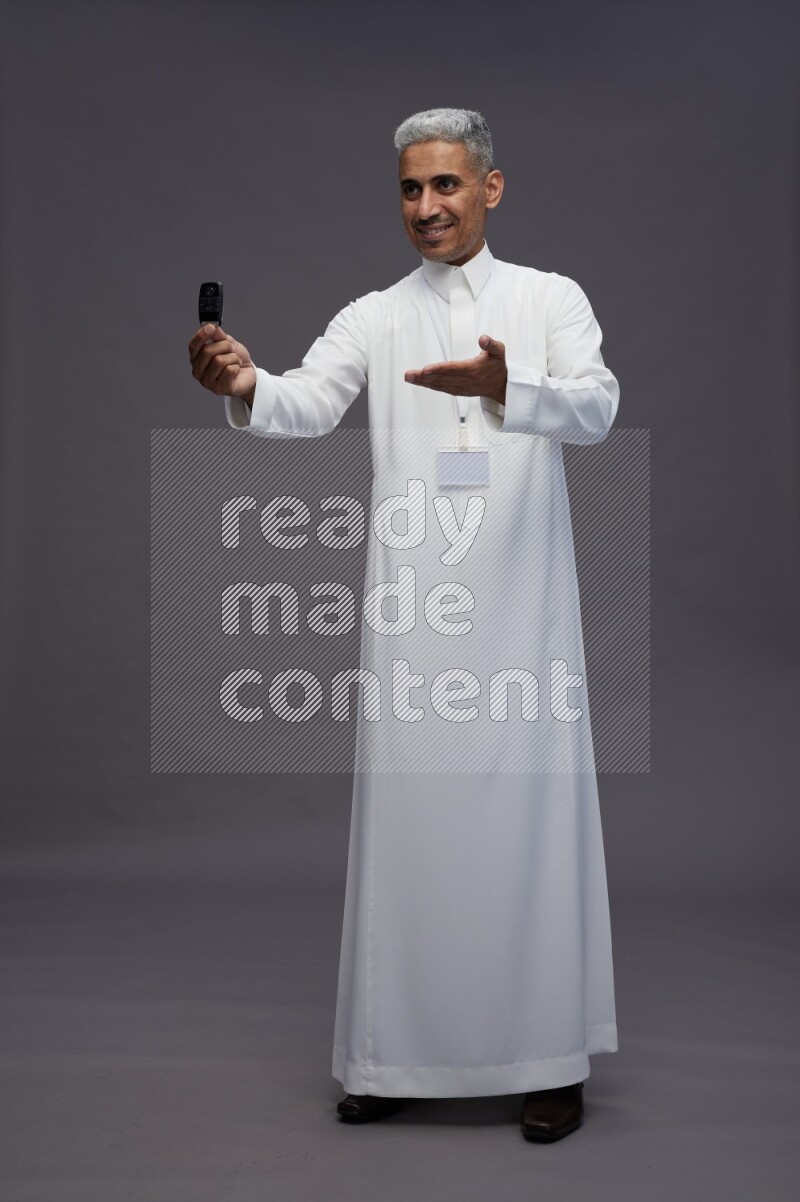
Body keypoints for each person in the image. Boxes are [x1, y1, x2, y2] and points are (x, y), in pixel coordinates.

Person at [188, 107, 620, 1143]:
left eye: (444, 186)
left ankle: (546, 1059)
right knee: (410, 837)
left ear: (490, 187)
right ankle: (392, 1055)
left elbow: (597, 406)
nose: (425, 207)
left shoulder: (546, 298)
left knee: (528, 831)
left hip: (522, 616)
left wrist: (506, 384)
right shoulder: (375, 315)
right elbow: (302, 400)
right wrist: (244, 382)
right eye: (408, 189)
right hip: (415, 620)